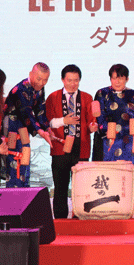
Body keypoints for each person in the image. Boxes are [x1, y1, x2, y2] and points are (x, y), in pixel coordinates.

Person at [45, 65, 98, 219]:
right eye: (69, 80)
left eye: (76, 80)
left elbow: (91, 122)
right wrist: (64, 121)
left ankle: (79, 217)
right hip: (60, 147)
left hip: (81, 147)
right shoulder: (53, 97)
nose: (72, 84)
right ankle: (60, 221)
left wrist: (93, 126)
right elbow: (46, 122)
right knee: (60, 186)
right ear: (63, 80)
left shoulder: (87, 98)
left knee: (81, 188)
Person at [3, 62, 53, 187]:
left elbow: (40, 110)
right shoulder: (20, 89)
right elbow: (27, 113)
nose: (42, 83)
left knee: (25, 161)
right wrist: (40, 131)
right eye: (39, 79)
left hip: (24, 128)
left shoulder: (40, 88)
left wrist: (47, 128)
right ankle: (12, 198)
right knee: (14, 162)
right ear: (31, 74)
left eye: (45, 80)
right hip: (12, 127)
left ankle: (24, 194)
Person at [94, 64, 134, 164]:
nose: (117, 81)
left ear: (127, 79)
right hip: (108, 140)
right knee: (107, 174)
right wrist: (111, 130)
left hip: (129, 142)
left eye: (121, 78)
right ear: (110, 78)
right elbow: (99, 118)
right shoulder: (102, 93)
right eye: (114, 78)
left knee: (127, 173)